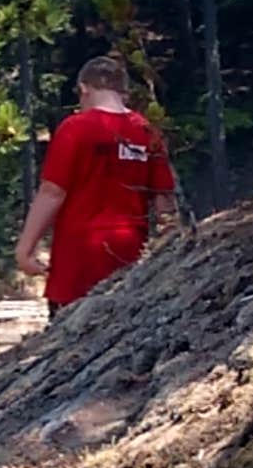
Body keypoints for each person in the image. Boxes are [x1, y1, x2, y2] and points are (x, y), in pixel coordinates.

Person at [14, 54, 181, 312]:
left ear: (84, 90)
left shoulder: (74, 128)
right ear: (123, 92)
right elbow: (164, 200)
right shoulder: (147, 130)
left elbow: (52, 192)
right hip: (130, 254)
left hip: (78, 259)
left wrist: (25, 249)